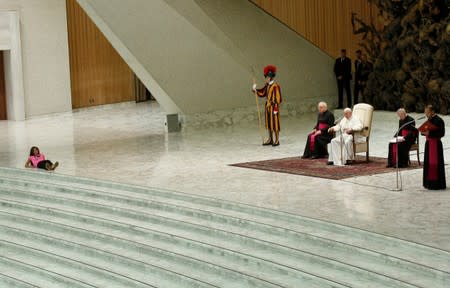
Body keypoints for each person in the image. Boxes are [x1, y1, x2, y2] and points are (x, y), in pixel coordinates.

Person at [253, 65, 282, 146]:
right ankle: (270, 139)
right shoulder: (267, 86)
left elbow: (278, 99)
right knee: (269, 123)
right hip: (268, 108)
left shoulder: (276, 86)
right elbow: (262, 93)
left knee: (275, 124)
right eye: (266, 77)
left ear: (271, 77)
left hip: (274, 107)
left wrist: (275, 109)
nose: (267, 78)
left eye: (268, 77)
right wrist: (255, 90)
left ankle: (277, 140)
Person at [421, 105, 446, 190]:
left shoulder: (439, 120)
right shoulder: (429, 120)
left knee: (435, 164)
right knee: (428, 163)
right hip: (428, 144)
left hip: (436, 144)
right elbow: (424, 130)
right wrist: (423, 132)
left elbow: (442, 133)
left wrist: (429, 134)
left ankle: (437, 184)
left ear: (432, 111)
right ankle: (428, 183)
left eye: (427, 112)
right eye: (425, 112)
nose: (426, 114)